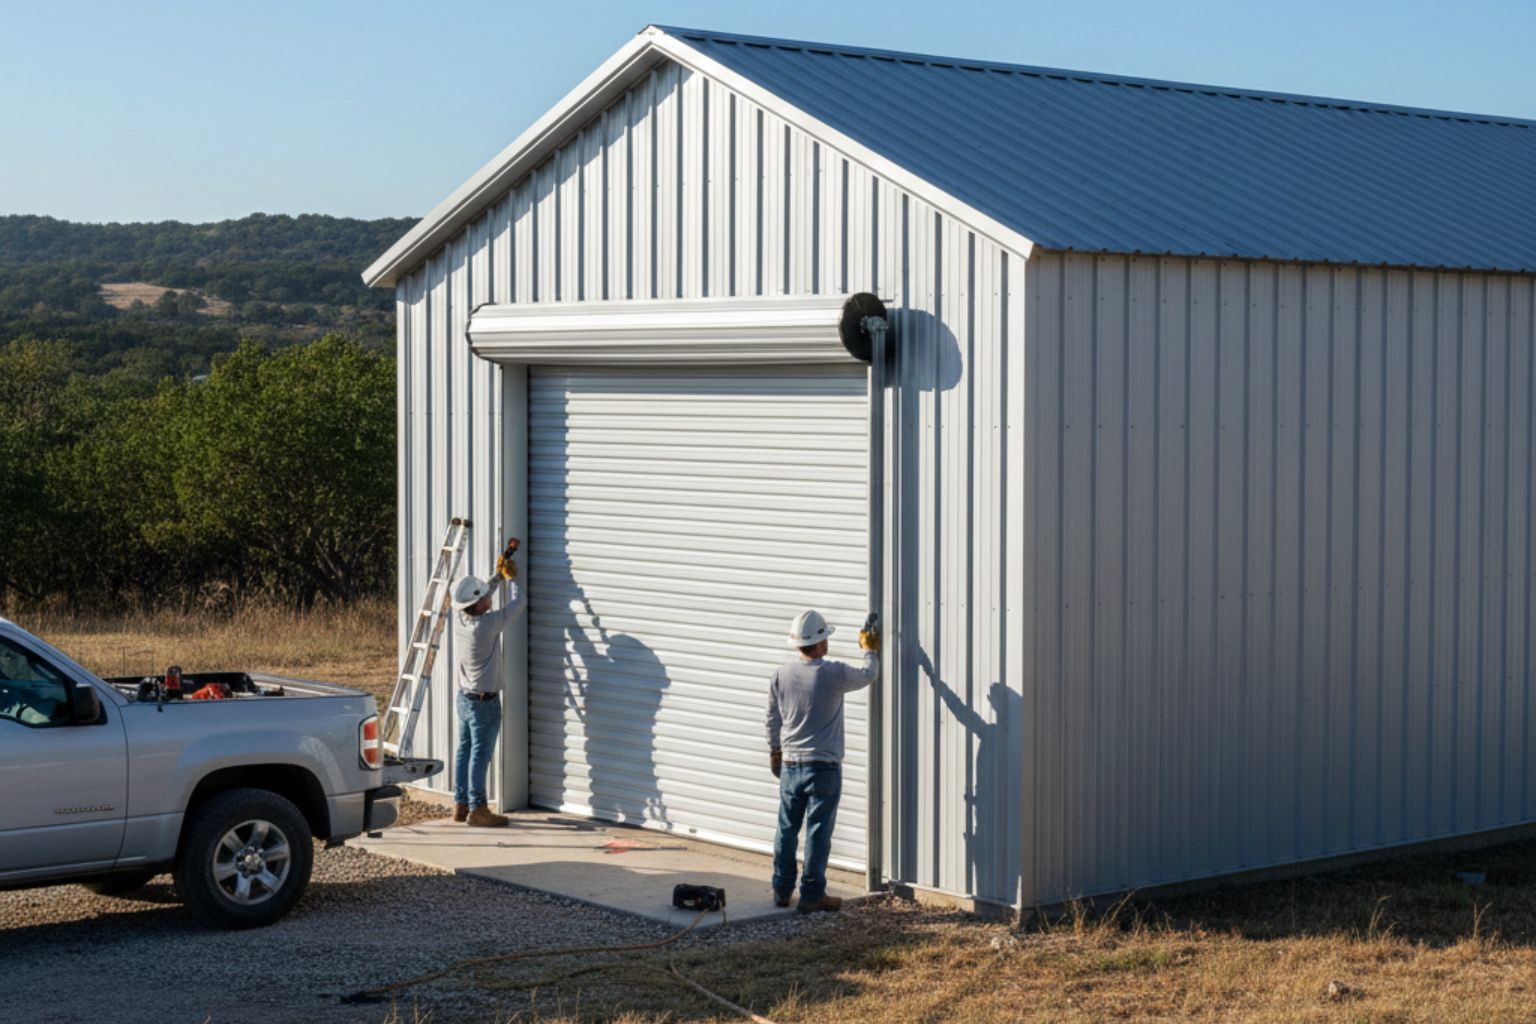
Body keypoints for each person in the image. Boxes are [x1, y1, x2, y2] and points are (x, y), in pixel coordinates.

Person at [765, 609, 880, 913]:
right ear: (821, 643)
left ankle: (781, 889)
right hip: (824, 767)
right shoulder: (834, 673)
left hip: (791, 764)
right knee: (818, 831)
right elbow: (869, 675)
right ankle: (812, 894)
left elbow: (772, 718)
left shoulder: (781, 674)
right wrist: (869, 649)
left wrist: (775, 752)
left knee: (787, 828)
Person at [450, 557, 526, 827]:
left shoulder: (460, 618)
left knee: (464, 750)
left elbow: (482, 596)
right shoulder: (487, 624)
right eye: (484, 597)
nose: (488, 598)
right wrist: (513, 579)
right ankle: (478, 809)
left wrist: (496, 577)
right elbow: (519, 604)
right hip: (484, 703)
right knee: (480, 755)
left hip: (464, 698)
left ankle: (461, 805)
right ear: (478, 605)